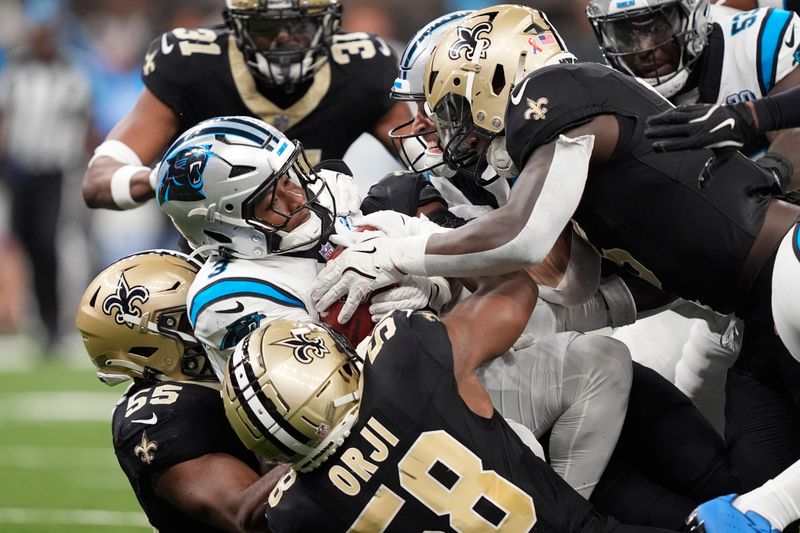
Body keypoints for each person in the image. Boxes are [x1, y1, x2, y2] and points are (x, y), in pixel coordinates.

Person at [310, 4, 800, 492]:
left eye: (453, 109)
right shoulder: (558, 142)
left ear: (492, 80)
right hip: (751, 315)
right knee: (757, 491)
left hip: (784, 268)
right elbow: (575, 282)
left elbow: (522, 237)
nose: (446, 130)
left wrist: (401, 253)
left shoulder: (551, 91)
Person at [222, 271, 678, 531]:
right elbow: (517, 291)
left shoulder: (293, 514)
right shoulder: (403, 362)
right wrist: (431, 258)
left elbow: (252, 511)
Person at [81, 0, 411, 211]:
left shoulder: (365, 66)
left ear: (328, 22)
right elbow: (98, 180)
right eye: (268, 26)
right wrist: (167, 177)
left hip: (324, 246)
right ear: (237, 24)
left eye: (302, 25)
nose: (285, 38)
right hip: (215, 256)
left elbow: (432, 165)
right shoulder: (192, 65)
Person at [75, 249, 287, 532]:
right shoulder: (156, 416)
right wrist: (336, 431)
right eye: (190, 319)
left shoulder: (219, 378)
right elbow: (244, 513)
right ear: (148, 347)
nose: (211, 322)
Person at [585, 0, 800, 189]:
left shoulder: (757, 40)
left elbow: (794, 131)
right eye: (623, 32)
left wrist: (773, 172)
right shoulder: (610, 95)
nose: (643, 48)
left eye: (657, 26)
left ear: (694, 13)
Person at [0, 8, 92, 351]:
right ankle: (32, 319)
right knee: (20, 246)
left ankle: (52, 323)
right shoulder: (15, 76)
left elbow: (87, 127)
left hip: (56, 174)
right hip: (19, 172)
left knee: (47, 246)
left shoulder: (73, 77)